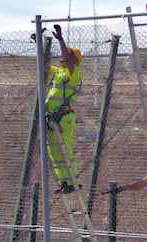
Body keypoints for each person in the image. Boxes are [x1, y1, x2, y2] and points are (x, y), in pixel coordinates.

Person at [44, 24, 83, 194]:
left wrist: (60, 40)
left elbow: (67, 60)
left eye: (68, 54)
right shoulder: (58, 73)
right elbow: (43, 65)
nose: (65, 56)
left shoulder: (73, 73)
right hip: (53, 118)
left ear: (73, 59)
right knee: (53, 150)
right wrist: (39, 46)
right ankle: (64, 182)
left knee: (64, 149)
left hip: (64, 118)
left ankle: (75, 182)